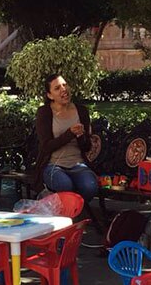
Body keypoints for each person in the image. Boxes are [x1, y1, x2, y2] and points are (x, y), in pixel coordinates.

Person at [30, 74, 99, 202]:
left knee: (90, 187)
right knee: (65, 185)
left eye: (65, 85)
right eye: (57, 88)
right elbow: (46, 147)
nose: (64, 89)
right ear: (50, 95)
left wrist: (80, 136)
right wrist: (69, 134)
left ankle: (73, 210)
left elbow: (86, 147)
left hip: (78, 164)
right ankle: (70, 211)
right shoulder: (44, 112)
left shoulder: (81, 111)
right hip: (53, 165)